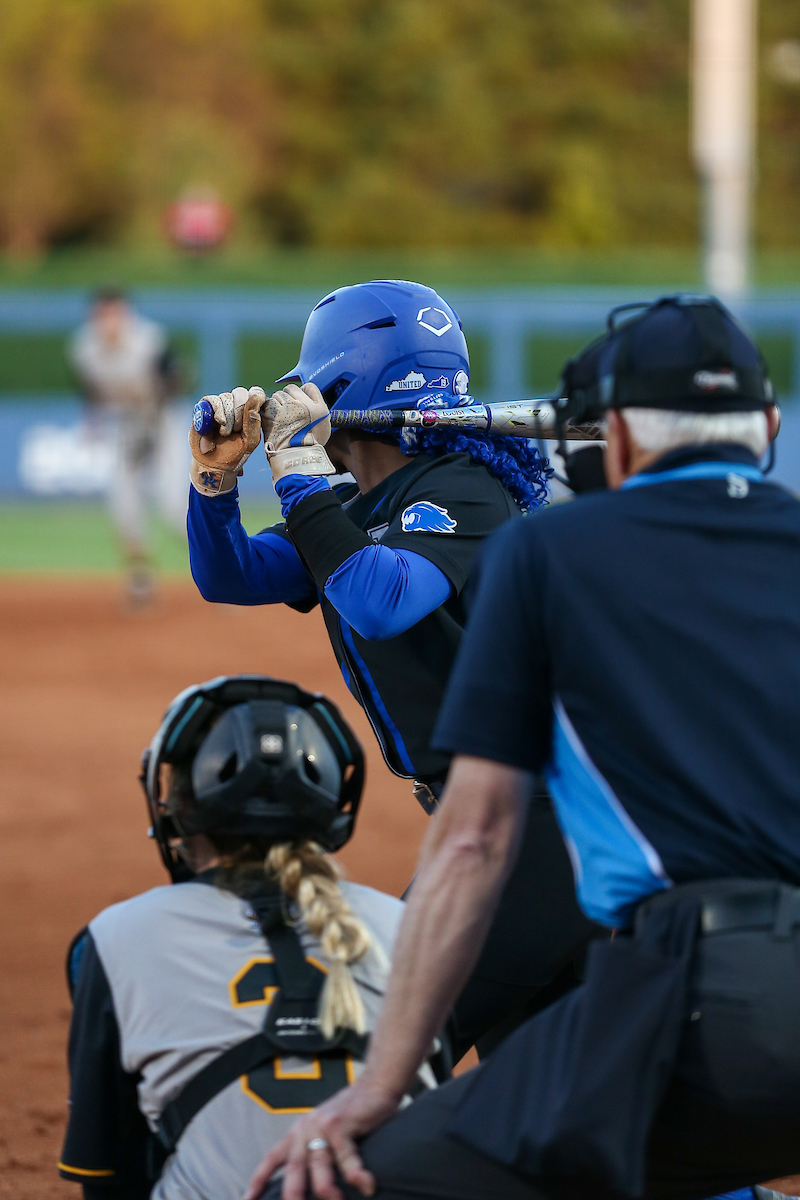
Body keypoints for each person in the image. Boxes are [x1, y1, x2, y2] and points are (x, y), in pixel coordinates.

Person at [247, 294, 800, 1200]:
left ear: (614, 442)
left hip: (671, 966)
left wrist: (382, 1088)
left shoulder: (559, 552)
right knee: (620, 1130)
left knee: (327, 1173)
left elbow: (476, 838)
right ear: (768, 425)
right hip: (734, 986)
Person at [185, 279, 596, 1060]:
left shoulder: (465, 493)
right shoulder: (347, 508)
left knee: (373, 1040)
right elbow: (230, 576)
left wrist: (301, 475)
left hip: (539, 826)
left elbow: (382, 600)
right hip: (496, 822)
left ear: (336, 385)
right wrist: (217, 485)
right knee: (559, 1102)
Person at [58, 675, 438, 1200]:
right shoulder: (408, 927)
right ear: (332, 801)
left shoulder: (116, 938)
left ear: (180, 808)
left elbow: (106, 1175)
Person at [70, 288, 186, 605]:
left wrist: (150, 425)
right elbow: (90, 389)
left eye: (115, 313)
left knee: (174, 507)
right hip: (122, 423)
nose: (109, 321)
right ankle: (140, 581)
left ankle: (224, 569)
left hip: (160, 420)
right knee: (124, 505)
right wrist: (92, 423)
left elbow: (175, 379)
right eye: (103, 314)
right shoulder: (84, 348)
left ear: (126, 314)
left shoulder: (148, 340)